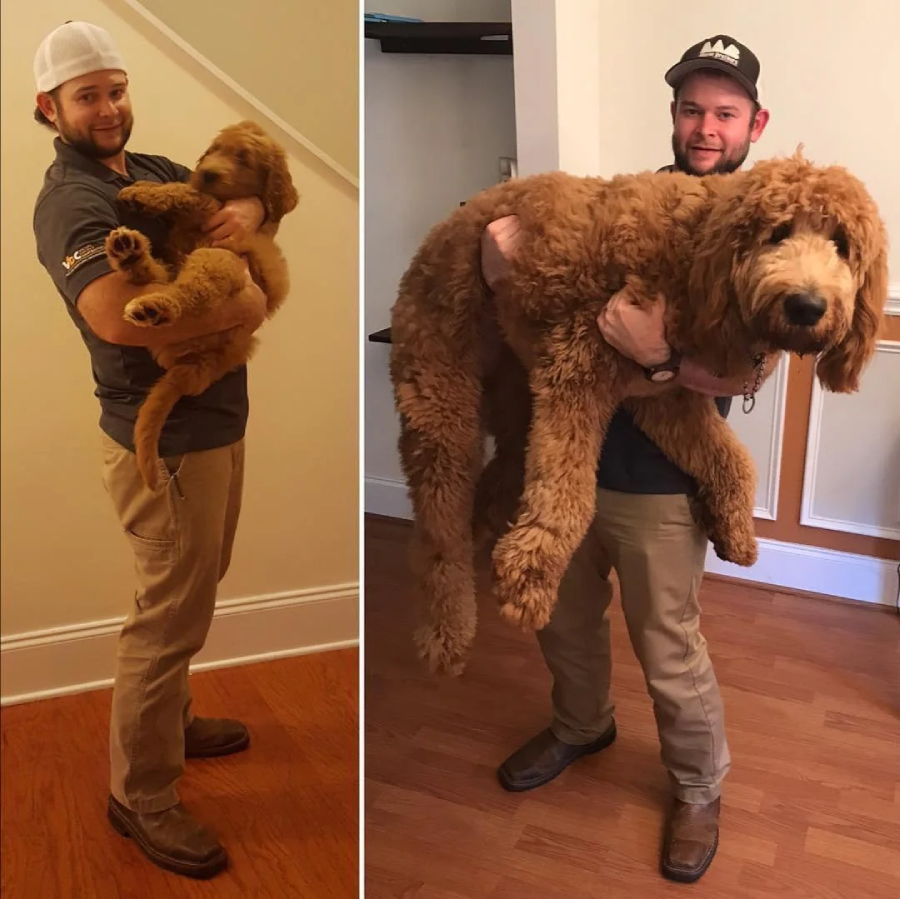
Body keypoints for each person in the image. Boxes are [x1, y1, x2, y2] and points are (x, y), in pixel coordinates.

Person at [480, 35, 779, 883]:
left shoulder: (763, 228)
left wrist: (660, 362)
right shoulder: (627, 203)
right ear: (675, 114)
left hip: (662, 486)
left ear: (756, 121)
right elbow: (555, 315)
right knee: (563, 621)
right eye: (692, 109)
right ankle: (582, 724)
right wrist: (502, 273)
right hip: (568, 464)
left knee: (668, 644)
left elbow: (754, 367)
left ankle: (697, 784)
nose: (706, 127)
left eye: (724, 113)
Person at [32, 21, 270, 880]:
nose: (109, 107)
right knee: (166, 618)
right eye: (89, 95)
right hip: (160, 439)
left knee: (194, 591)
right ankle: (143, 795)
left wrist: (244, 212)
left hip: (217, 422)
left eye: (117, 88)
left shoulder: (155, 173)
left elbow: (243, 202)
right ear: (49, 107)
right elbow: (110, 315)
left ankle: (169, 723)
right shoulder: (74, 201)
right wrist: (243, 305)